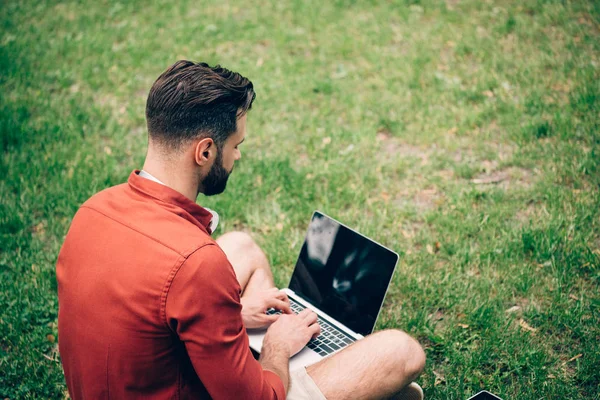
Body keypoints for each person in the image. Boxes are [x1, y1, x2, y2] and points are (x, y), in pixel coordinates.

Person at [56, 60, 426, 400]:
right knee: (400, 349)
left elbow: (150, 311)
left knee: (241, 247)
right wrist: (277, 347)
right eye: (235, 145)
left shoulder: (93, 209)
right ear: (204, 152)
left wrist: (229, 314)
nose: (238, 157)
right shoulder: (196, 263)